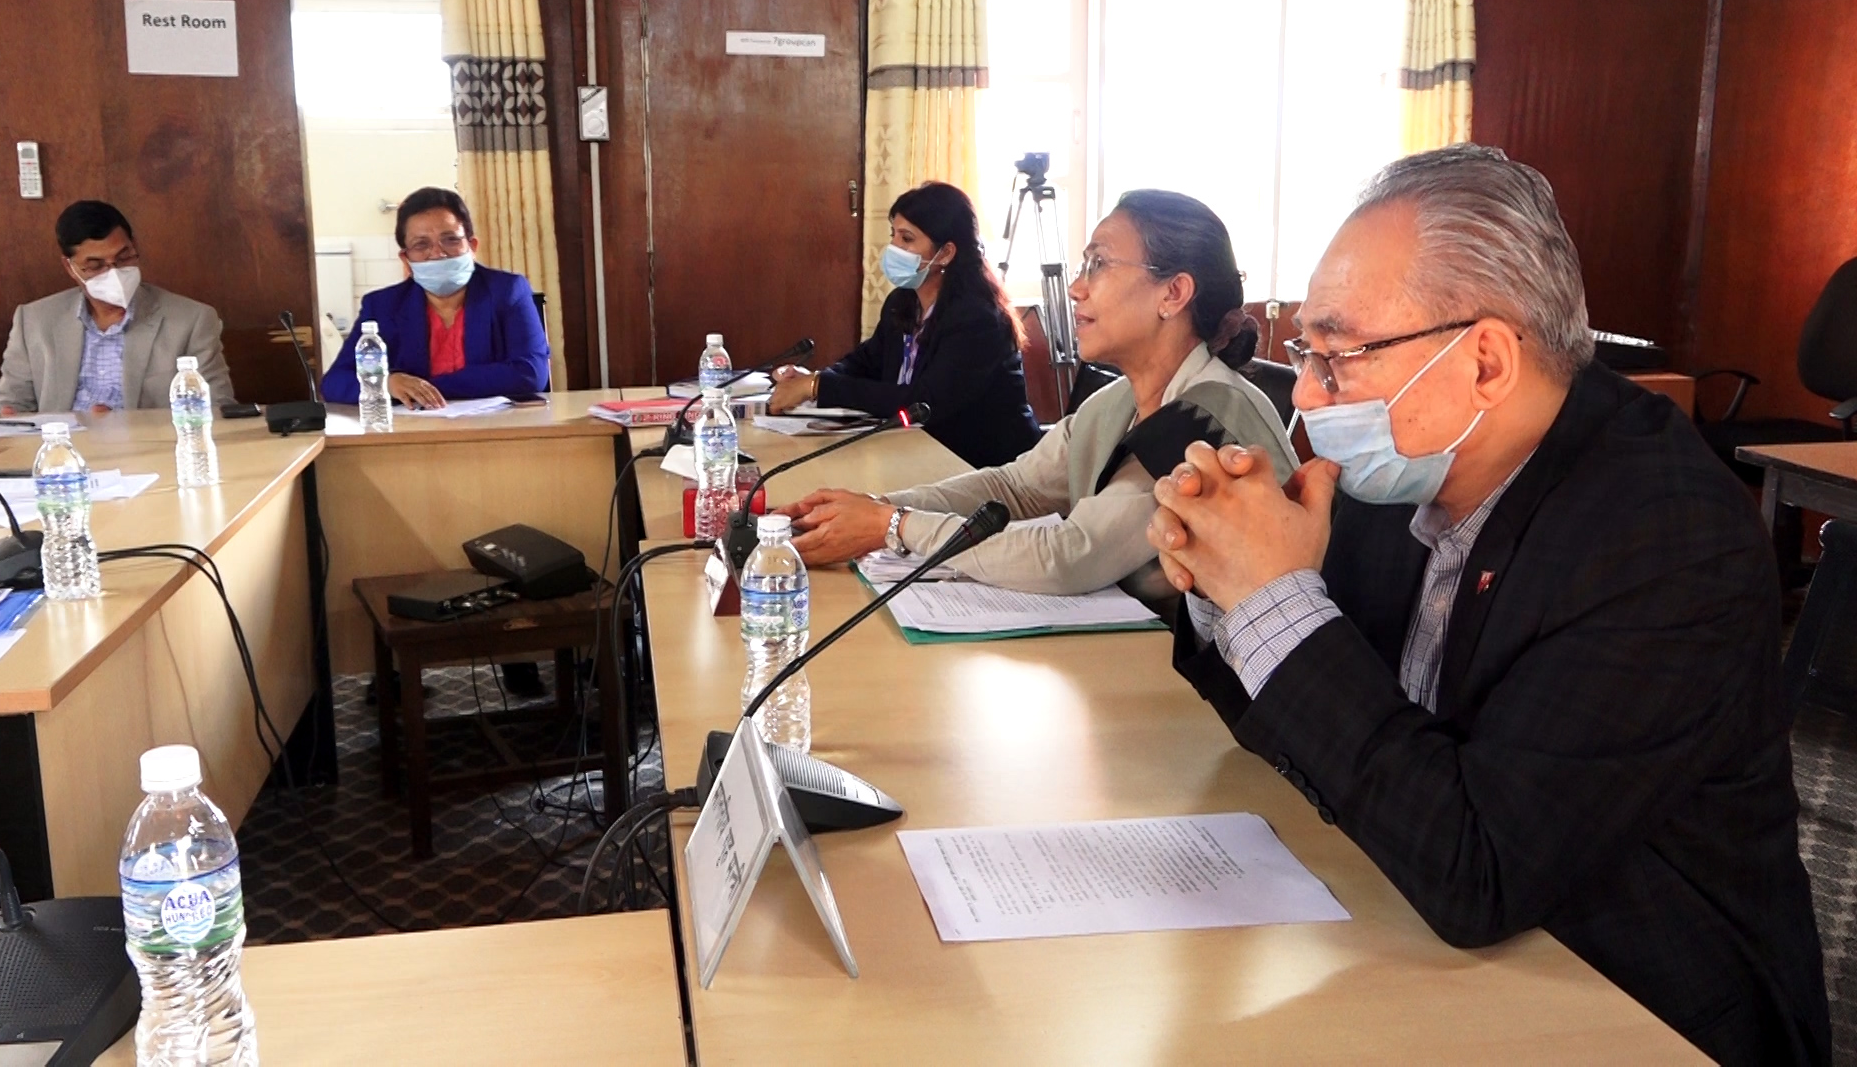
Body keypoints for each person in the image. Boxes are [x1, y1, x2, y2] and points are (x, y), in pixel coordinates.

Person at [1153, 145, 1829, 1065]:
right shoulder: (1403, 469)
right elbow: (1304, 728)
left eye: (1338, 355)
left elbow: (1480, 870)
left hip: (1639, 1002)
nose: (1306, 396)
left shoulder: (1665, 536)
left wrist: (1277, 600)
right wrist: (1224, 584)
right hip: (1420, 938)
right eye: (1304, 352)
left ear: (1484, 362)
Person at [782, 190, 1295, 611]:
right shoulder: (1118, 401)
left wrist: (893, 527)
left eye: (1099, 264)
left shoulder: (1208, 414)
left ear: (1174, 293)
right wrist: (877, 507)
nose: (1075, 288)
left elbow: (1073, 555)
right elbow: (1016, 487)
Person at [766, 182, 1041, 469]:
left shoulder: (978, 318)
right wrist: (813, 378)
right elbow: (866, 362)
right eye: (893, 235)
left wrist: (817, 387)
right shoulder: (903, 301)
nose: (894, 248)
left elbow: (923, 402)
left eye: (907, 239)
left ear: (946, 253)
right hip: (918, 453)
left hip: (987, 466)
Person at [0, 200, 235, 413]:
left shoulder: (191, 320)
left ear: (134, 246)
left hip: (148, 446)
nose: (114, 273)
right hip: (62, 446)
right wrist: (9, 419)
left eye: (123, 257)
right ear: (70, 268)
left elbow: (217, 406)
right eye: (96, 265)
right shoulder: (34, 321)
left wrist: (123, 426)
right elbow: (10, 404)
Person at [321, 187, 549, 407]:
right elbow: (334, 382)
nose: (438, 253)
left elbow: (531, 373)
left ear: (472, 246)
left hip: (497, 427)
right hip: (414, 429)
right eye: (421, 244)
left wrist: (425, 388)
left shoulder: (507, 291)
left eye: (450, 239)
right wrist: (387, 384)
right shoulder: (382, 306)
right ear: (406, 259)